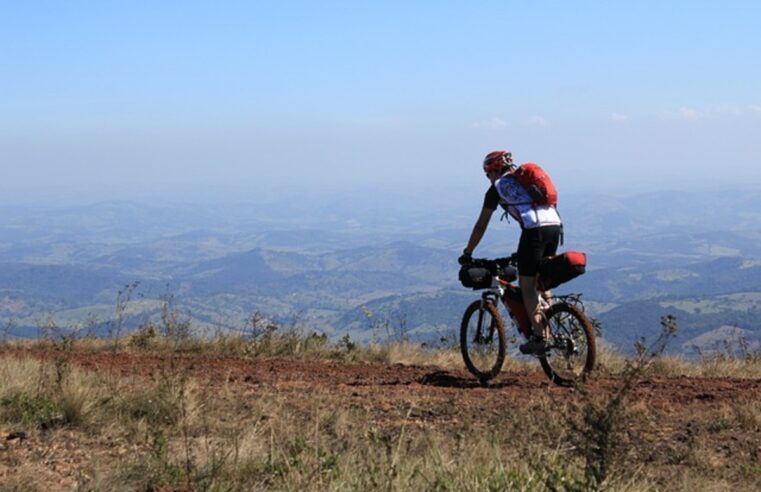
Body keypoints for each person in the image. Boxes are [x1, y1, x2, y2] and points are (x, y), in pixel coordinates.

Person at [458, 150, 562, 355]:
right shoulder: (524, 181)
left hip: (534, 231)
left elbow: (481, 225)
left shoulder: (497, 188)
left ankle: (541, 338)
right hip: (555, 227)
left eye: (488, 175)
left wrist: (468, 252)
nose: (488, 179)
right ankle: (551, 316)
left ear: (493, 170)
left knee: (527, 286)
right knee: (541, 280)